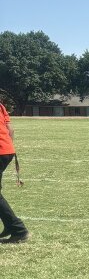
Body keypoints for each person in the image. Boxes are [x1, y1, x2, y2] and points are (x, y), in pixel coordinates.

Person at [0, 101, 29, 244]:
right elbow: (11, 130)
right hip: (7, 150)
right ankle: (11, 226)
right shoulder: (0, 105)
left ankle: (18, 230)